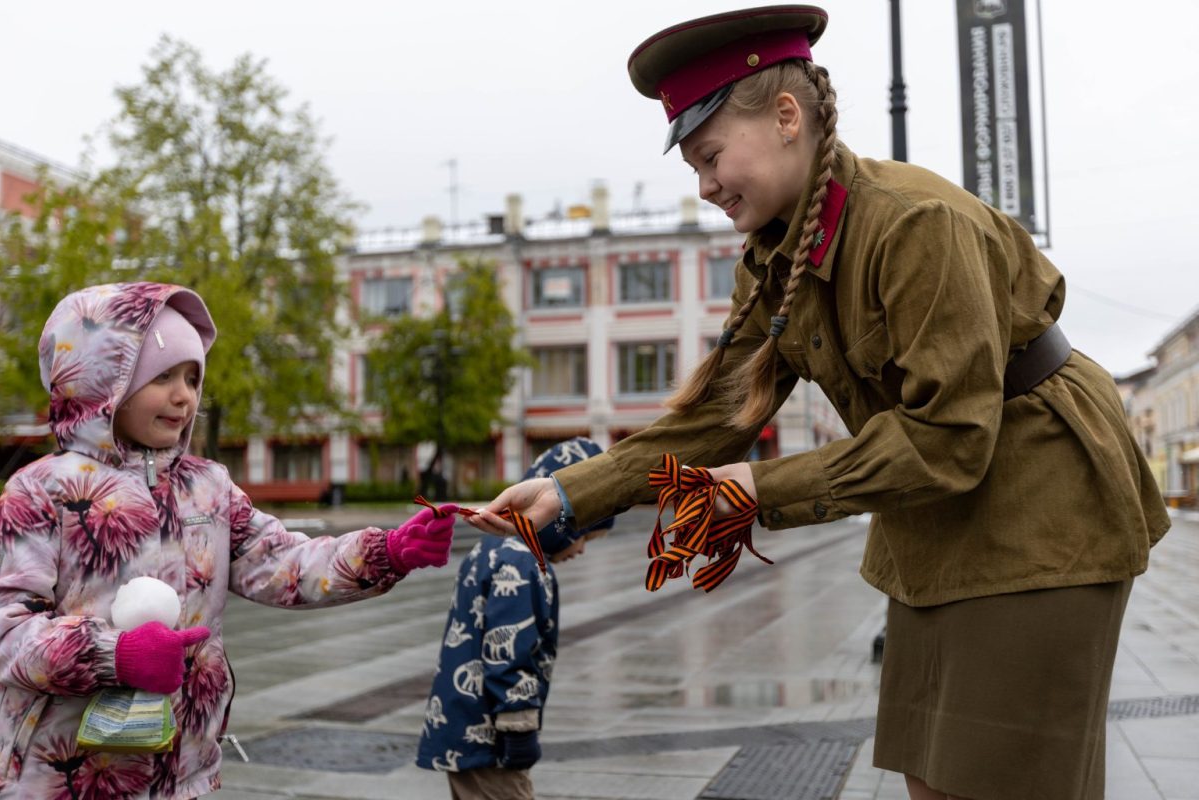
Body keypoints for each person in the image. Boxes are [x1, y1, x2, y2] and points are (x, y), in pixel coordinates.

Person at [466, 7, 1171, 800]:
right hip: (937, 520)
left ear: (787, 117)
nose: (703, 187)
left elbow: (947, 439)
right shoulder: (775, 251)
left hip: (1044, 508)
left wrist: (753, 492)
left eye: (710, 156)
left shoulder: (915, 223)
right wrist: (566, 495)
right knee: (932, 782)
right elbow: (718, 418)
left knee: (1009, 783)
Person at [0, 281, 457, 799]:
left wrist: (386, 552)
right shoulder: (41, 491)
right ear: (103, 380)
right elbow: (9, 631)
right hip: (64, 776)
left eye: (193, 379)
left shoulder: (207, 488)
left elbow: (279, 562)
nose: (183, 396)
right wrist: (115, 654)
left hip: (184, 772)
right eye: (162, 376)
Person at [417, 437, 613, 800]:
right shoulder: (522, 562)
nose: (582, 550)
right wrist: (518, 728)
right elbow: (508, 652)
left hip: (462, 724)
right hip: (489, 737)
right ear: (560, 522)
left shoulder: (494, 548)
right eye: (585, 535)